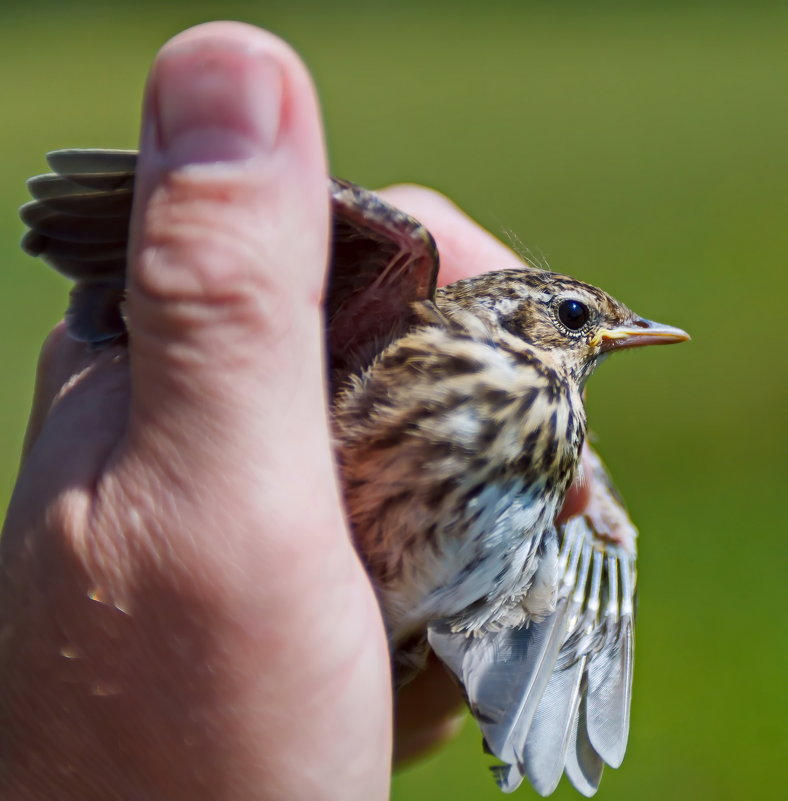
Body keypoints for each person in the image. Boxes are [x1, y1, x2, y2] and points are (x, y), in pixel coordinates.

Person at [0, 21, 587, 800]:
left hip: (369, 643)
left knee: (595, 521)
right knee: (397, 239)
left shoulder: (558, 445)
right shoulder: (425, 335)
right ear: (523, 318)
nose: (599, 337)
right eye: (575, 319)